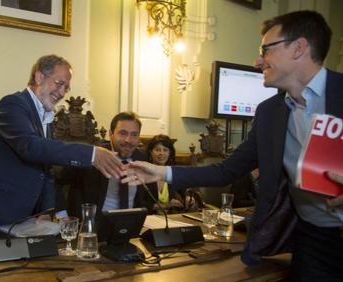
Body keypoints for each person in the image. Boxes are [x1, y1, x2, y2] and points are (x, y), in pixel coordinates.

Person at [123, 11, 343, 281]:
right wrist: (162, 173)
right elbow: (226, 170)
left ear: (299, 47)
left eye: (266, 50)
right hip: (314, 240)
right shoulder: (269, 113)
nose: (257, 61)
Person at [0, 54, 123, 228]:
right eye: (59, 84)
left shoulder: (46, 116)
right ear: (39, 77)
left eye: (66, 88)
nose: (62, 93)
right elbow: (31, 147)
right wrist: (92, 153)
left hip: (21, 218)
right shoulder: (13, 104)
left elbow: (45, 170)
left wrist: (50, 210)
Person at [66, 111, 153, 219]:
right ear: (110, 134)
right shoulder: (95, 156)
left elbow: (148, 199)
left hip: (131, 224)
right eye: (123, 133)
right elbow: (68, 185)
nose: (128, 140)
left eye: (134, 135)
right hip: (96, 223)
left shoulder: (142, 159)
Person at [145, 134, 184, 213]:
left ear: (170, 153)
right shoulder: (144, 173)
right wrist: (166, 205)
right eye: (157, 150)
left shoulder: (172, 172)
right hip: (148, 220)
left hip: (171, 219)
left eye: (165, 150)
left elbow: (183, 194)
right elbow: (140, 204)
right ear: (150, 152)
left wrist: (187, 200)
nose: (161, 153)